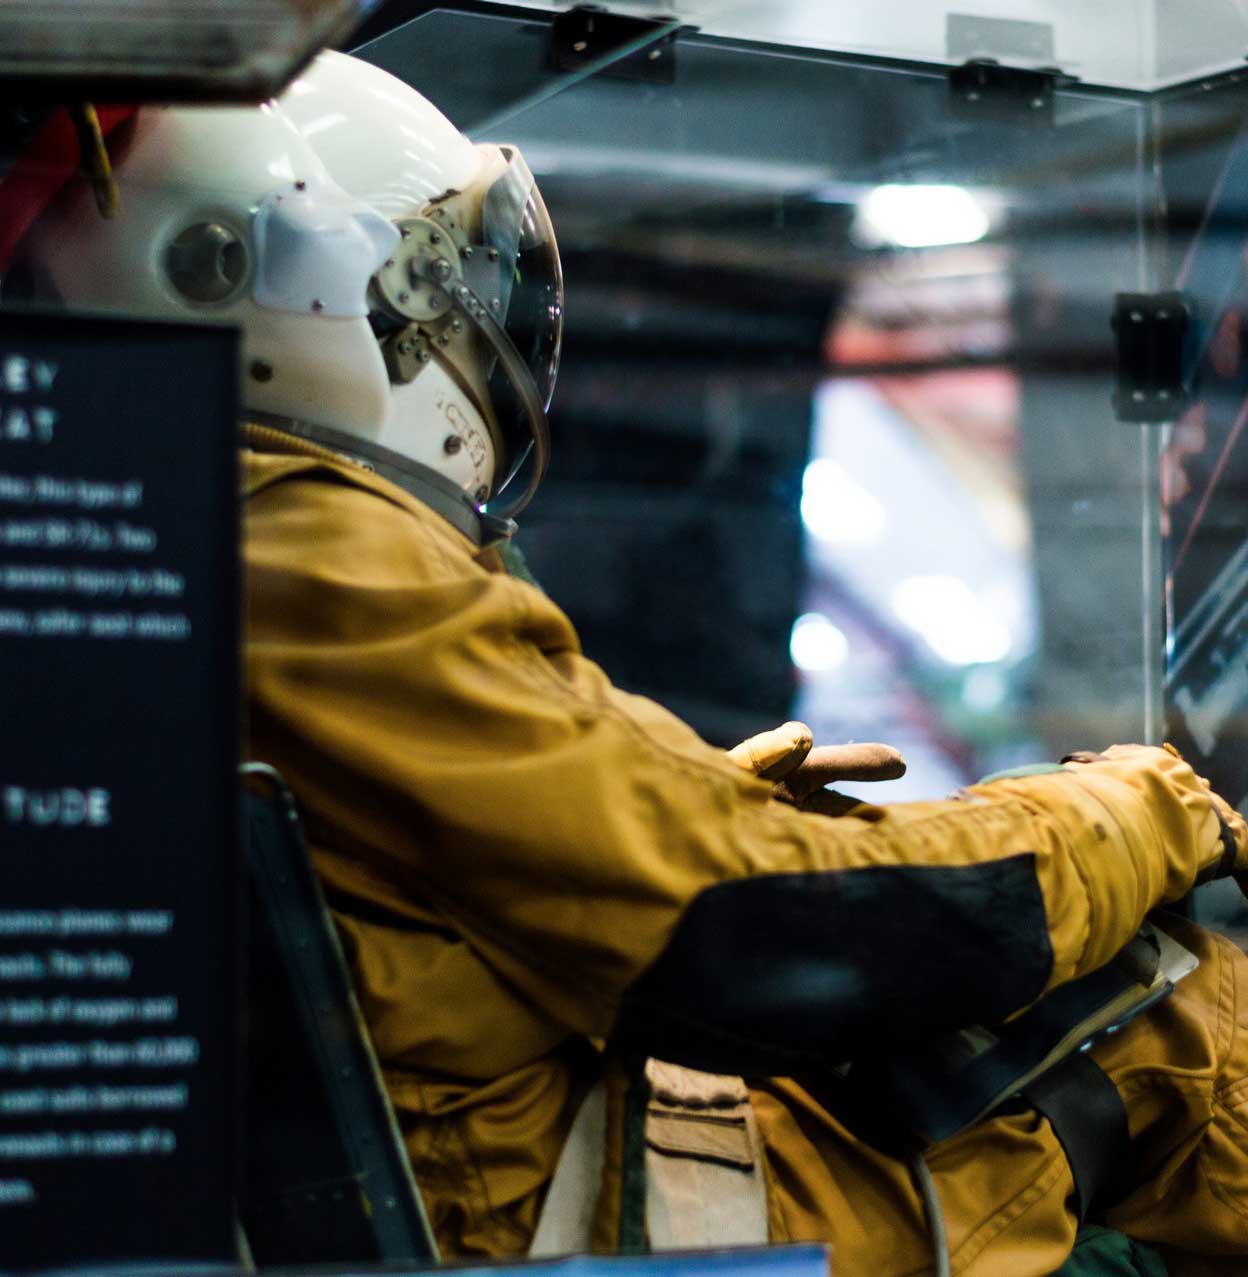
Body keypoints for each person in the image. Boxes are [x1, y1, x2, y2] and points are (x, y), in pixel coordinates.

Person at [12, 49, 1248, 1277]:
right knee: (1170, 1014)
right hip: (555, 1210)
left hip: (482, 1174)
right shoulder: (302, 537)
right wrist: (1137, 804)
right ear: (305, 277)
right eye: (446, 284)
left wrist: (707, 793)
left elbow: (537, 868)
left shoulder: (141, 523)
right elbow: (750, 919)